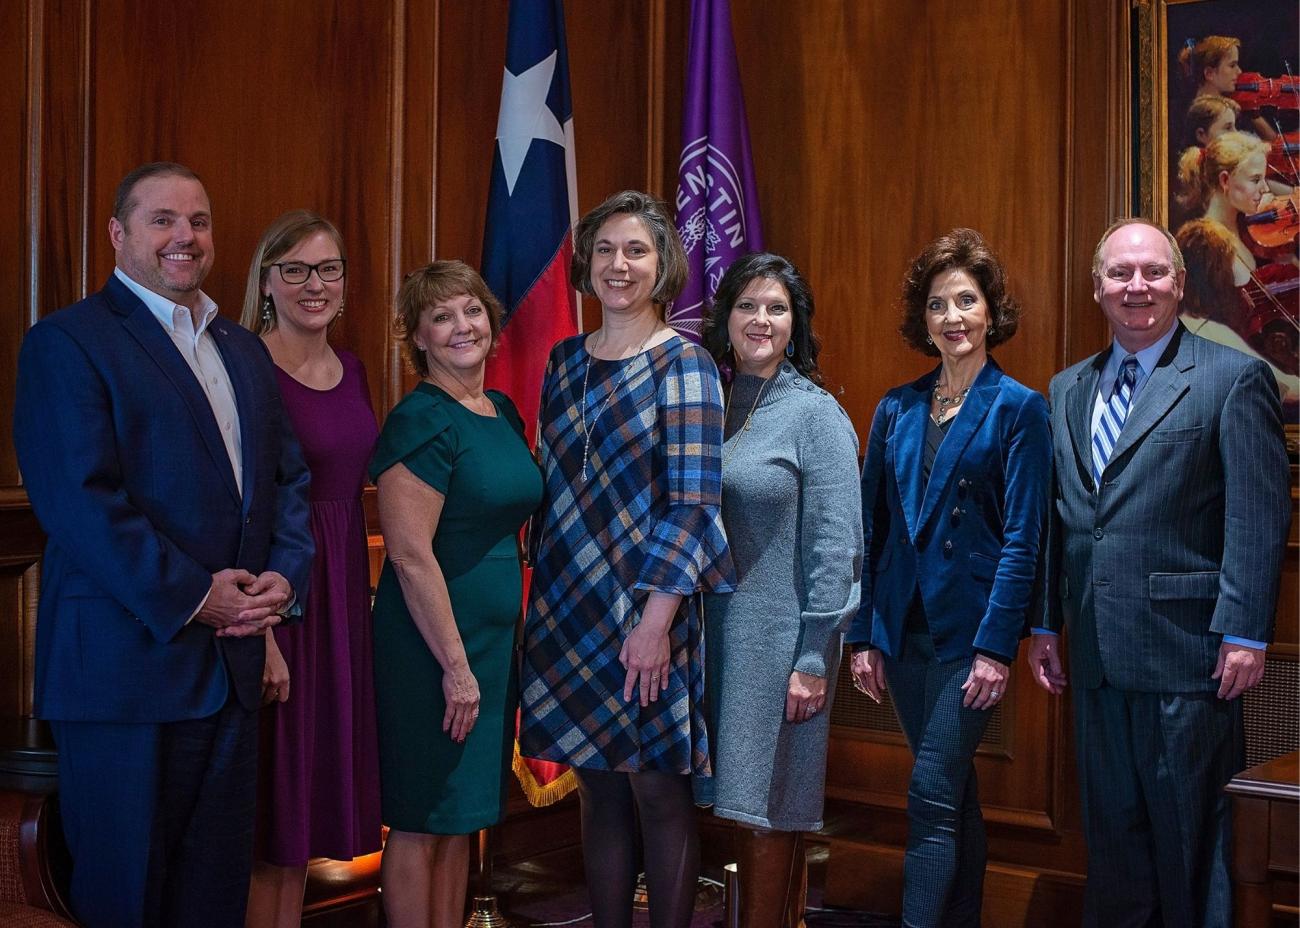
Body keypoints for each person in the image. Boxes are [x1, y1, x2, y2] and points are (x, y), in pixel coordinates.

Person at [13, 162, 314, 928]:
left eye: (200, 221)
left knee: (213, 898)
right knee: (128, 896)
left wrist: (284, 575)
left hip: (233, 668)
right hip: (124, 674)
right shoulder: (68, 343)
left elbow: (286, 479)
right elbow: (80, 503)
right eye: (163, 220)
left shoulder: (243, 350)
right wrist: (196, 596)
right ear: (119, 234)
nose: (186, 236)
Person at [1026, 218, 1291, 928]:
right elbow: (1061, 517)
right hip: (1096, 660)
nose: (1135, 286)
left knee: (1190, 850)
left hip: (1190, 658)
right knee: (1113, 848)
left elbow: (1257, 517)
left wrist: (1245, 630)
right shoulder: (1068, 388)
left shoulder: (1232, 379)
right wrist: (1046, 620)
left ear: (1178, 283)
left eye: (1151, 272)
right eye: (1119, 274)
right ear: (1096, 289)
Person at [519, 189, 734, 928]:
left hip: (647, 611)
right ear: (587, 261)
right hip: (567, 607)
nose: (619, 265)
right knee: (599, 788)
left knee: (656, 791)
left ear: (663, 263)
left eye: (636, 250)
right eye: (606, 249)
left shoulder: (686, 363)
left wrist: (655, 623)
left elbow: (694, 504)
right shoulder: (564, 360)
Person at [847, 228, 1051, 928]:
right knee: (953, 791)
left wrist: (999, 649)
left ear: (990, 311)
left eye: (966, 300)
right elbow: (871, 534)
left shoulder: (1020, 408)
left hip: (970, 639)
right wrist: (864, 636)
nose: (953, 316)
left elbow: (1025, 538)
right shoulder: (895, 408)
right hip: (902, 637)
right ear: (923, 320)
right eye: (938, 305)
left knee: (930, 793)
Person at [370, 260, 542, 928]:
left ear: (493, 324)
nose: (460, 326)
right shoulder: (421, 421)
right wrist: (455, 667)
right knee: (422, 817)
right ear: (416, 336)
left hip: (492, 647)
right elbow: (411, 558)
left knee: (460, 818)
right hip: (434, 649)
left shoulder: (497, 411)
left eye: (471, 310)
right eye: (440, 316)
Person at [699, 253, 862, 928]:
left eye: (776, 308)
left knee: (768, 812)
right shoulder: (705, 401)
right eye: (746, 306)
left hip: (778, 650)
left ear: (795, 325)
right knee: (720, 812)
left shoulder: (815, 414)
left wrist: (813, 657)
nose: (760, 320)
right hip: (700, 640)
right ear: (724, 319)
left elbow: (839, 547)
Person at [238, 210, 382, 927]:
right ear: (267, 281)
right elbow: (240, 508)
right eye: (294, 269)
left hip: (345, 596)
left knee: (305, 819)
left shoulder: (352, 367)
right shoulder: (244, 367)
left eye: (327, 269)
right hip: (280, 600)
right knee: (274, 815)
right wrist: (262, 629)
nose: (313, 284)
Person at [1174, 130, 1298, 408]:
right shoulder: (1203, 241)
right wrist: (1280, 379)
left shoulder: (1248, 234)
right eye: (1255, 180)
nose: (1265, 189)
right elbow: (1198, 326)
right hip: (1236, 393)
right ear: (1225, 180)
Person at [1178, 35, 1277, 141]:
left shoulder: (1232, 107)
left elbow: (1274, 145)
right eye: (1232, 65)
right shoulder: (1205, 114)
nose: (1239, 71)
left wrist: (1254, 116)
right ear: (1209, 73)